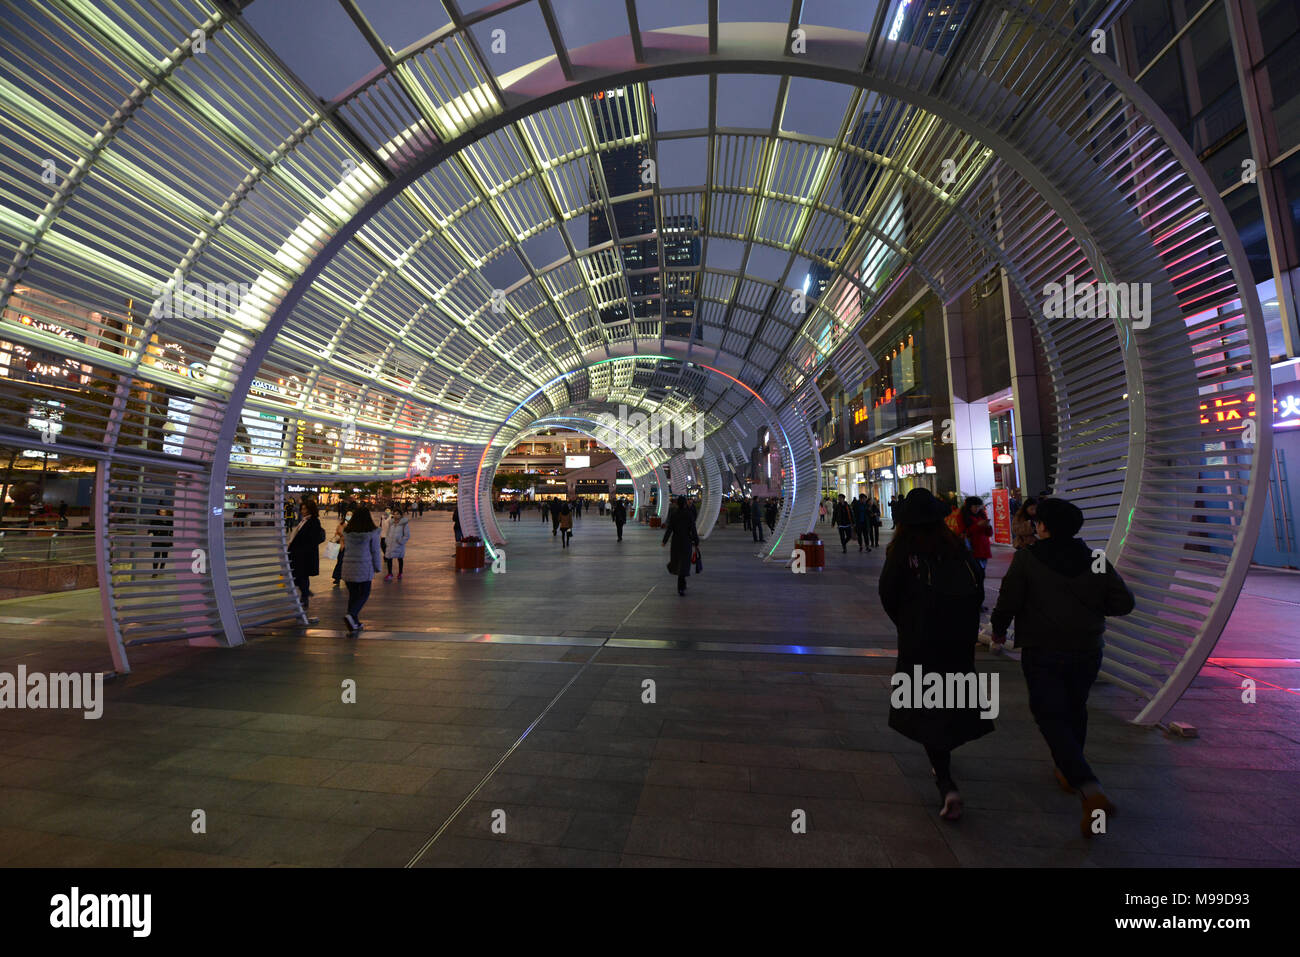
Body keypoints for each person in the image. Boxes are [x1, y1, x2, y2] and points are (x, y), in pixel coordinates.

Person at [990, 497, 1135, 839]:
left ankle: (1088, 787)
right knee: (1075, 708)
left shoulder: (1028, 558)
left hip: (1043, 650)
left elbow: (1008, 599)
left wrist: (998, 630)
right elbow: (1124, 602)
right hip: (1087, 649)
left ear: (1043, 527)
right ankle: (1068, 770)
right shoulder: (1095, 559)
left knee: (1049, 715)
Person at [878, 488, 991, 822]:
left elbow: (888, 594)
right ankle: (946, 753)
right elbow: (978, 588)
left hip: (920, 642)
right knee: (950, 701)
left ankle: (946, 781)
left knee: (927, 710)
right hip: (958, 641)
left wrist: (909, 624)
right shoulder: (956, 547)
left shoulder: (902, 551)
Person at [340, 508, 383, 637]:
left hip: (348, 566)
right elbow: (375, 551)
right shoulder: (372, 533)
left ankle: (355, 622)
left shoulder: (347, 531)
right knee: (364, 593)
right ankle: (351, 615)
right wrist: (377, 567)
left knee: (353, 595)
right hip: (364, 567)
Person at [287, 498, 326, 624]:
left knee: (301, 575)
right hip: (298, 554)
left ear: (310, 510)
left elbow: (312, 538)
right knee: (299, 575)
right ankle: (305, 594)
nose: (302, 510)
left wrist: (300, 546)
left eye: (305, 508)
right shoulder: (303, 521)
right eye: (302, 508)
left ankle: (305, 596)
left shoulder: (313, 521)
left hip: (304, 554)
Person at [662, 495, 700, 595]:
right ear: (684, 503)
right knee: (684, 563)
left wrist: (664, 541)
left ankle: (681, 584)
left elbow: (669, 528)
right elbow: (693, 529)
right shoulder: (689, 515)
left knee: (678, 562)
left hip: (676, 542)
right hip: (686, 542)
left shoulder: (674, 514)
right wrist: (696, 541)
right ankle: (681, 586)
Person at [958, 496, 993, 572]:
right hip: (972, 548)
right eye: (975, 506)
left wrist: (988, 526)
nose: (977, 509)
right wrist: (977, 525)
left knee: (982, 572)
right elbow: (964, 532)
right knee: (975, 572)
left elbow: (989, 534)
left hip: (983, 548)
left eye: (979, 506)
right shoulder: (962, 516)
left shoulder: (982, 515)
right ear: (969, 506)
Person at [385, 506, 410, 581]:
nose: (396, 515)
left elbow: (407, 535)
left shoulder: (404, 524)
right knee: (389, 559)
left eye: (398, 514)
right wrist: (387, 540)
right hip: (390, 544)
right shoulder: (391, 523)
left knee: (400, 559)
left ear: (401, 515)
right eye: (395, 514)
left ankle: (400, 573)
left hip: (399, 544)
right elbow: (388, 532)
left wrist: (401, 541)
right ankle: (390, 573)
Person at [331, 510, 350, 586]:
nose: (349, 516)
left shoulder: (354, 525)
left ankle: (348, 577)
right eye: (348, 514)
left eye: (350, 514)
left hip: (350, 547)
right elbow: (337, 534)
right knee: (340, 562)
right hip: (342, 546)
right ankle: (337, 577)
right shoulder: (341, 525)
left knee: (349, 563)